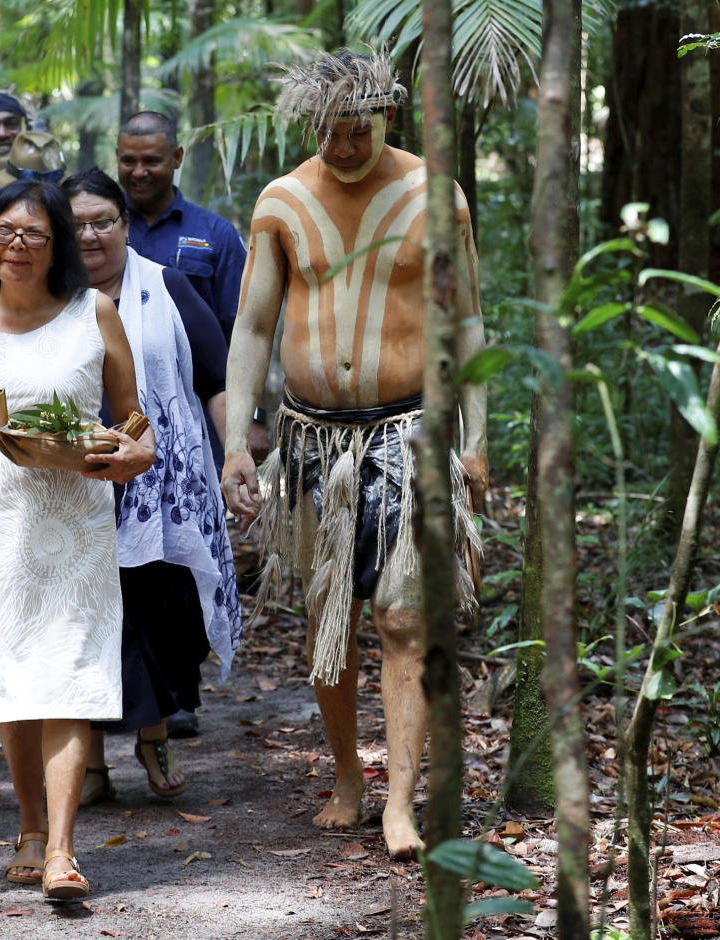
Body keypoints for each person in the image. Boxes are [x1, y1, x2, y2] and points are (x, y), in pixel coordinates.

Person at [221, 49, 488, 860]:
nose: (342, 146)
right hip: (310, 439)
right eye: (329, 132)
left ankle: (400, 802)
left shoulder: (434, 199)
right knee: (327, 619)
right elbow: (254, 329)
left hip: (409, 433)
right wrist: (239, 438)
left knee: (405, 617)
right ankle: (347, 776)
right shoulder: (283, 202)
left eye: (358, 131)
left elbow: (467, 323)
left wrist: (475, 442)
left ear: (389, 118)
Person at [0, 179, 155, 899]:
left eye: (33, 236)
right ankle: (26, 824)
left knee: (67, 676)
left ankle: (60, 850)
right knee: (10, 677)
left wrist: (135, 456)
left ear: (60, 247)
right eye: (4, 233)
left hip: (76, 514)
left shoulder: (94, 313)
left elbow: (133, 419)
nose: (16, 247)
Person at [61, 168, 242, 805]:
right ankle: (88, 762)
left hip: (161, 484)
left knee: (155, 613)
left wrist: (236, 456)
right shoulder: (44, 297)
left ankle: (154, 731)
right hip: (67, 481)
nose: (90, 235)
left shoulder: (167, 287)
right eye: (77, 223)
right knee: (84, 616)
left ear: (125, 226)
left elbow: (217, 379)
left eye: (102, 222)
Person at [116, 111, 246, 343]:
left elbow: (239, 327)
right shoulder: (97, 231)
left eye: (151, 161)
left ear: (177, 157)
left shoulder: (217, 234)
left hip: (197, 377)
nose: (138, 171)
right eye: (128, 161)